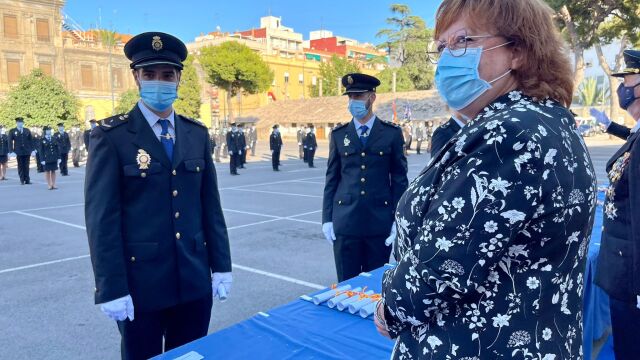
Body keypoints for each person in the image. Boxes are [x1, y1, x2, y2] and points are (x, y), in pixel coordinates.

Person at [375, 1, 597, 359]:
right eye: (442, 47)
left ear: (518, 51)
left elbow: (442, 270)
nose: (448, 58)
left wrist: (389, 306)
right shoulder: (545, 121)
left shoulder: (507, 135)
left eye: (462, 41)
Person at [84, 32, 232, 360]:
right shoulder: (112, 137)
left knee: (190, 356)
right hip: (140, 288)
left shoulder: (196, 134)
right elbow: (102, 221)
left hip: (193, 281)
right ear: (135, 77)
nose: (159, 83)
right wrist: (111, 288)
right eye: (150, 75)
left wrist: (221, 265)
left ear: (179, 78)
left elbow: (211, 207)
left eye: (167, 75)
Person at [322, 73, 408, 282]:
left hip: (379, 223)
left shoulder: (391, 134)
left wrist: (399, 220)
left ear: (372, 97)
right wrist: (327, 219)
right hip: (345, 223)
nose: (353, 102)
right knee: (346, 284)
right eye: (350, 97)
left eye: (359, 96)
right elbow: (332, 179)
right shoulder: (339, 135)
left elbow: (399, 180)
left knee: (374, 286)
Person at [594, 49, 640, 360]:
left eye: (629, 80)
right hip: (624, 270)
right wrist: (609, 124)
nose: (622, 87)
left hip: (631, 276)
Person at [8, 117, 34, 185]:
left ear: (23, 123)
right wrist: (11, 151)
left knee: (27, 165)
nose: (20, 123)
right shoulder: (12, 131)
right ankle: (22, 179)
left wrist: (32, 150)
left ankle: (27, 179)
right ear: (16, 123)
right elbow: (10, 141)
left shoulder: (27, 130)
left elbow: (31, 141)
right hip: (18, 151)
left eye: (21, 122)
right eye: (19, 122)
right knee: (20, 166)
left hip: (26, 151)